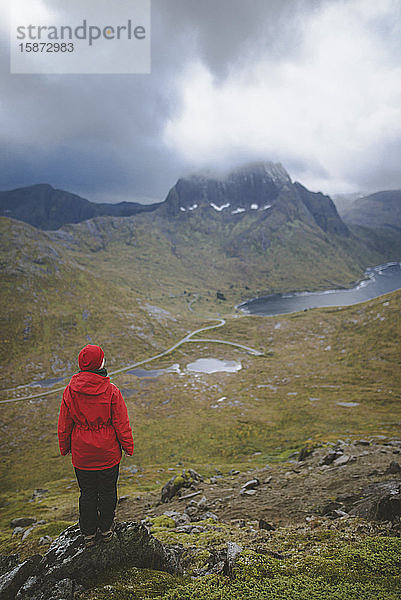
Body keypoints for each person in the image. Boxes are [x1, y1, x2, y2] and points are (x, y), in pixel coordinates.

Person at [58, 344, 134, 547]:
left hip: (82, 456)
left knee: (87, 493)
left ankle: (88, 534)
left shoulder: (70, 391)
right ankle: (106, 530)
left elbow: (65, 424)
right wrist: (127, 446)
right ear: (99, 363)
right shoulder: (111, 391)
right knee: (108, 492)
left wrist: (65, 447)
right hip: (108, 454)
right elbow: (121, 423)